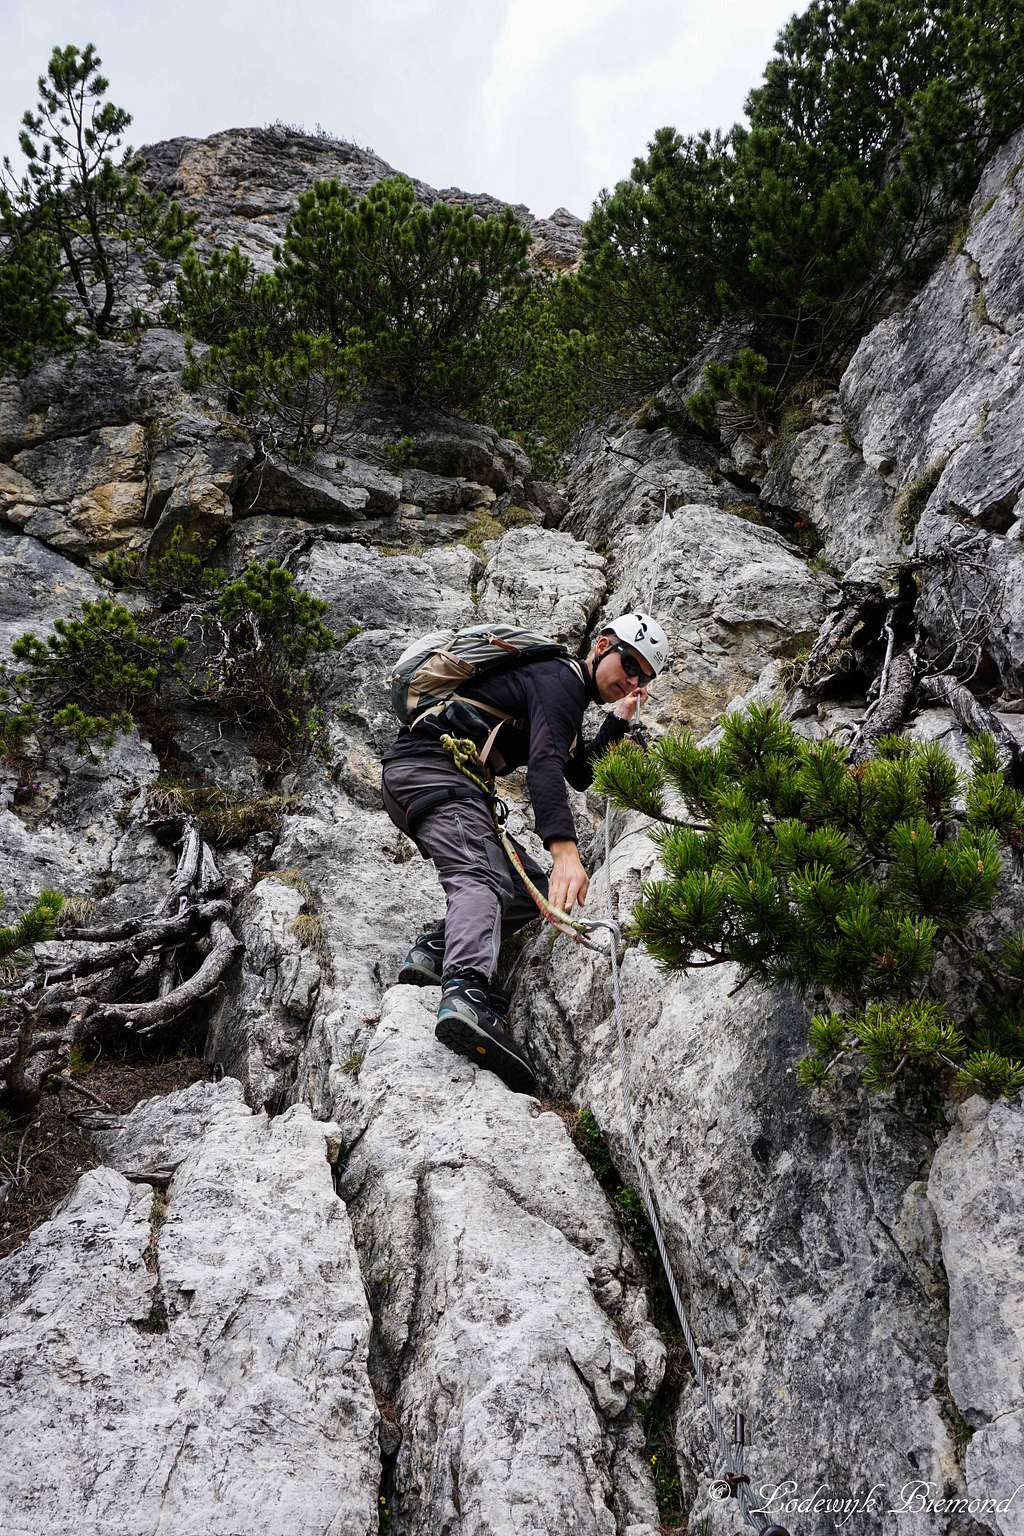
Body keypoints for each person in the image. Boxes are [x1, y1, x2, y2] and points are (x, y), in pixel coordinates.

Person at [380, 612, 670, 1092]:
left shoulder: (564, 693)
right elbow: (545, 767)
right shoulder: (560, 678)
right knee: (484, 880)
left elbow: (577, 772)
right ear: (602, 645)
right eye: (630, 665)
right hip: (434, 772)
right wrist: (565, 852)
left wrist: (616, 725)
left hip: (436, 779)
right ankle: (467, 992)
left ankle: (437, 951)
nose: (633, 681)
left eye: (644, 678)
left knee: (527, 889)